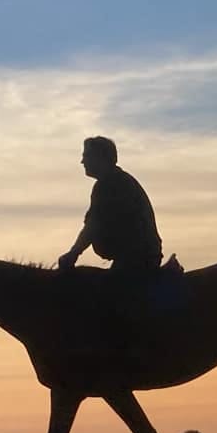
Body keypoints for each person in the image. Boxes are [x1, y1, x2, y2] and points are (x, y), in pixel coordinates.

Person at [58, 136, 164, 364]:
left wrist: (72, 254)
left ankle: (128, 353)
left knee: (108, 303)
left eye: (86, 156)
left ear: (101, 158)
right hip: (131, 256)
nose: (82, 162)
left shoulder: (110, 184)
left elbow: (93, 225)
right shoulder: (113, 182)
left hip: (136, 258)